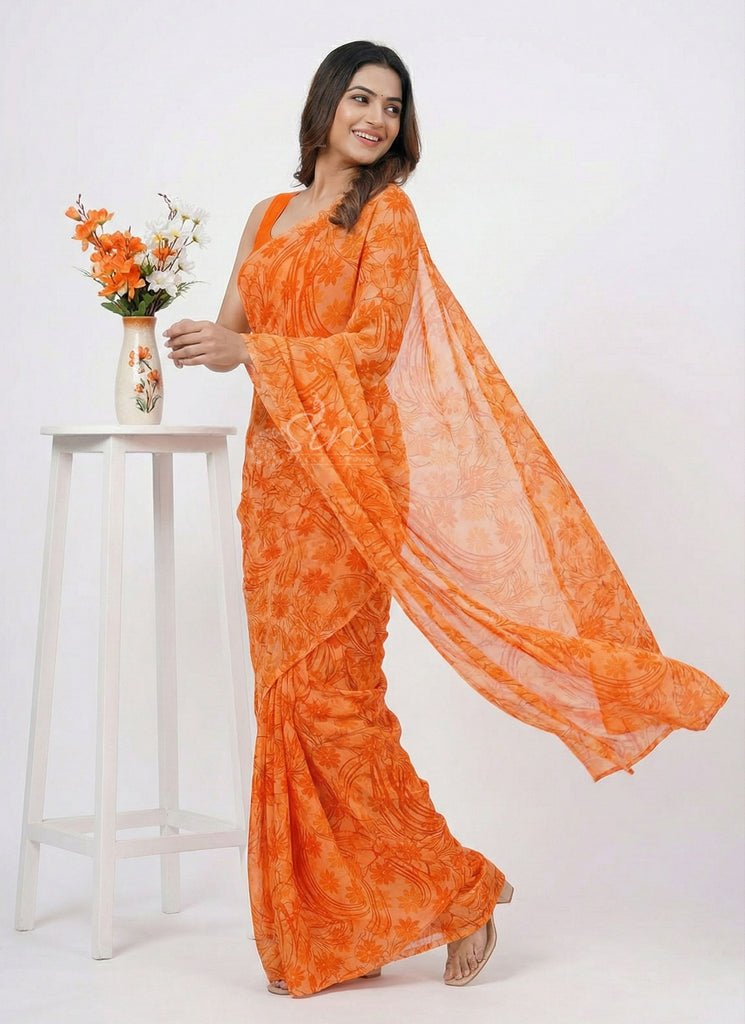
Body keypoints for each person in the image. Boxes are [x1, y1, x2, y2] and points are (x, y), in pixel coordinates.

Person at [164, 41, 727, 998]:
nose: (375, 118)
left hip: (351, 480)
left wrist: (250, 350)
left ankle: (460, 889)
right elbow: (236, 327)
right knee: (288, 705)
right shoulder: (265, 216)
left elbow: (371, 346)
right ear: (324, 105)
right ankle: (345, 926)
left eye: (391, 106)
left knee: (337, 705)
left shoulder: (385, 214)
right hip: (276, 485)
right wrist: (168, 326)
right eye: (360, 98)